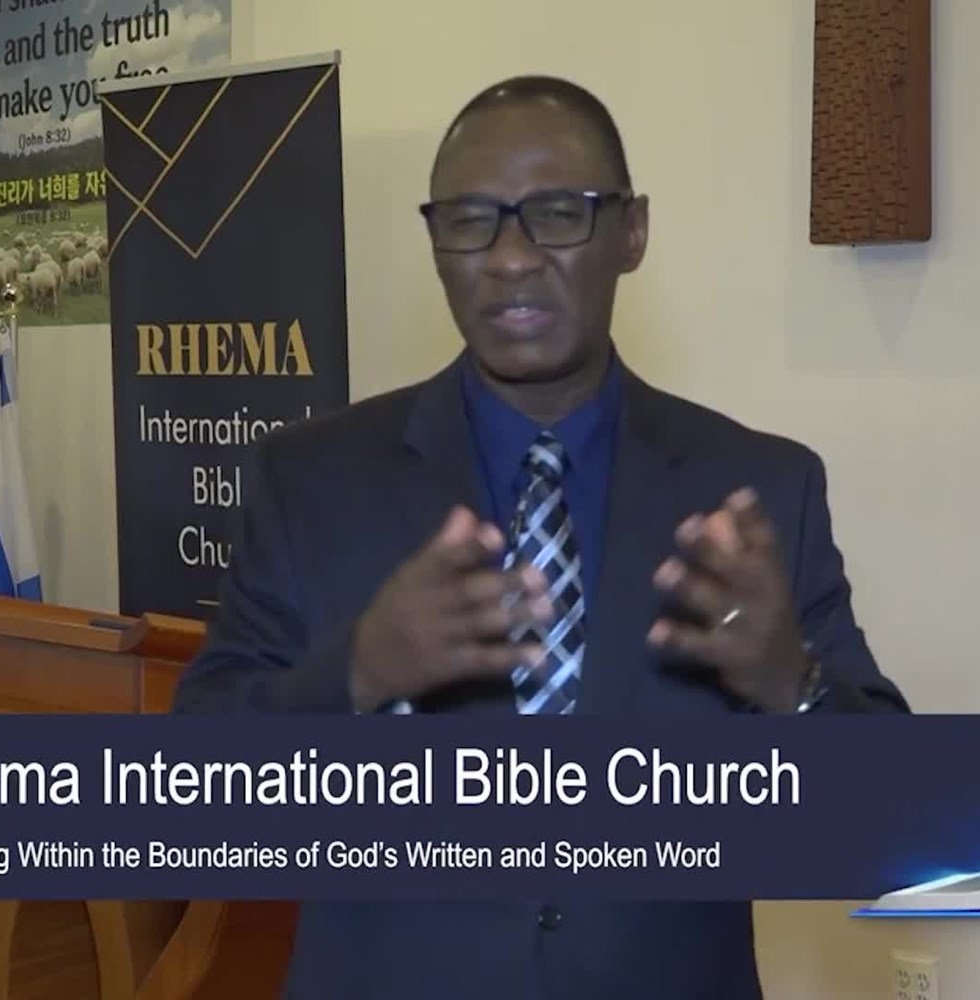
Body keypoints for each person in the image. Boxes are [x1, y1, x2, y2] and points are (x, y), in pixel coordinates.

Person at [172, 74, 908, 1000]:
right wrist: (355, 676)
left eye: (557, 213)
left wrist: (789, 684)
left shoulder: (758, 490)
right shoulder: (309, 482)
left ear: (631, 232)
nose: (510, 259)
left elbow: (894, 832)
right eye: (470, 220)